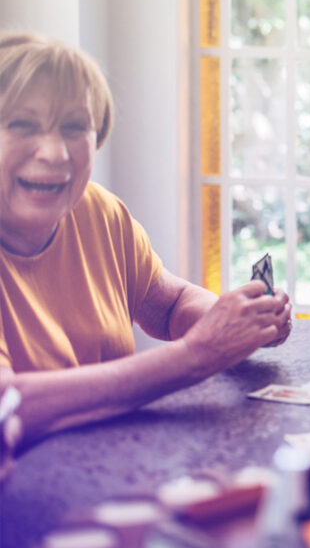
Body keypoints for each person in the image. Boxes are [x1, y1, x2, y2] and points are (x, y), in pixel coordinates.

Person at [0, 32, 292, 444]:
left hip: (112, 463)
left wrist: (234, 325)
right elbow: (9, 406)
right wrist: (197, 355)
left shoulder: (97, 210)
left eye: (74, 127)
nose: (55, 152)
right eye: (22, 125)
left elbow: (171, 305)